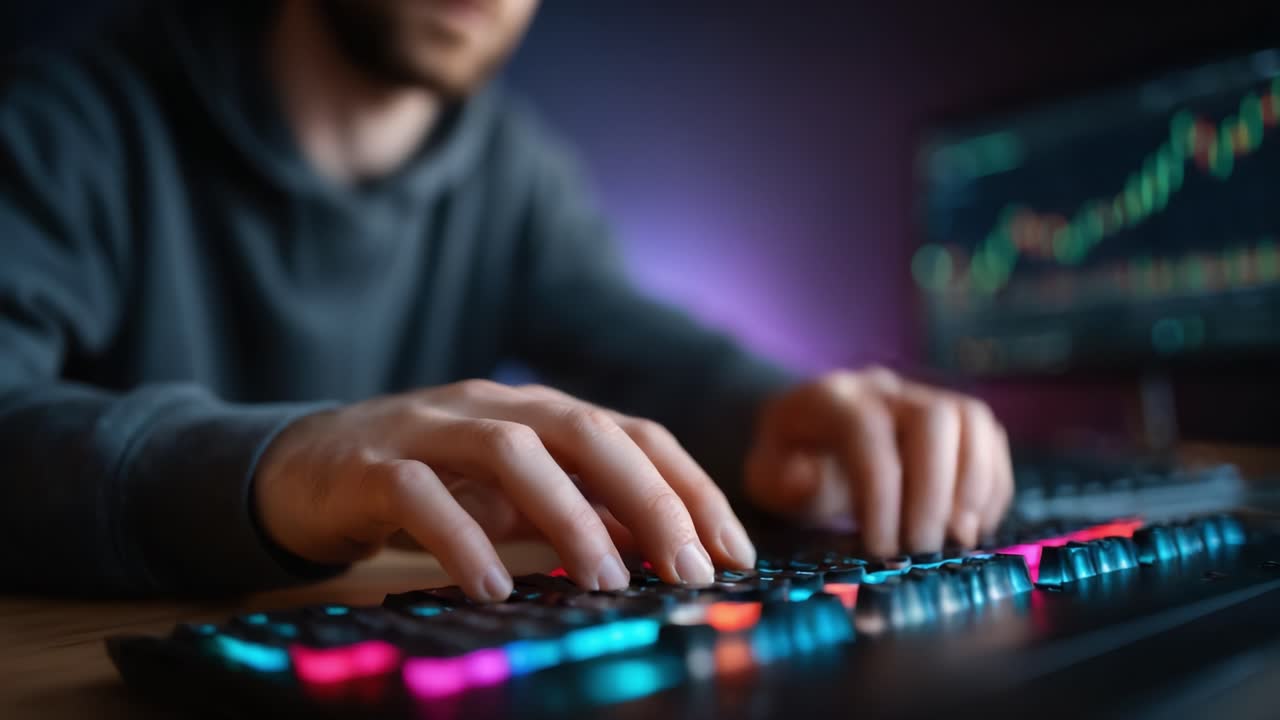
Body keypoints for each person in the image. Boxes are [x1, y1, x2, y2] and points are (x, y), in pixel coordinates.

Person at [0, 0, 1012, 602]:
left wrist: (772, 416)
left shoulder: (515, 173)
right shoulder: (70, 121)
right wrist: (277, 466)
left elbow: (634, 346)